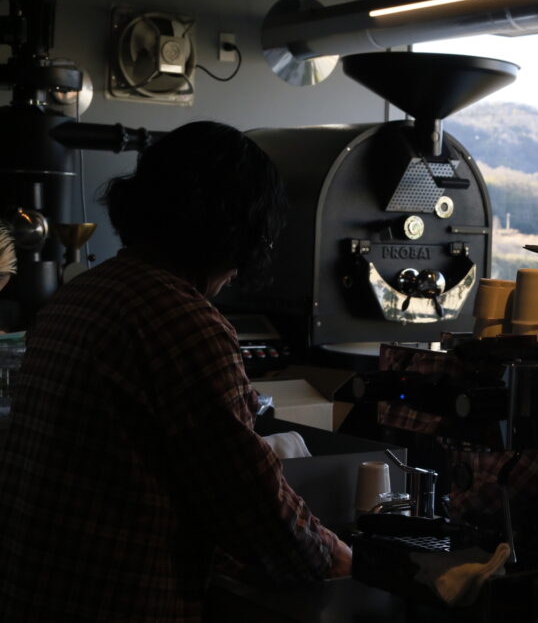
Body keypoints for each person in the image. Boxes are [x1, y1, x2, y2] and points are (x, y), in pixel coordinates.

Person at [0, 121, 351, 622]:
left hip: (36, 592)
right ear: (237, 233)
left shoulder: (78, 295)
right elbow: (249, 503)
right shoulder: (183, 320)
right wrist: (332, 555)